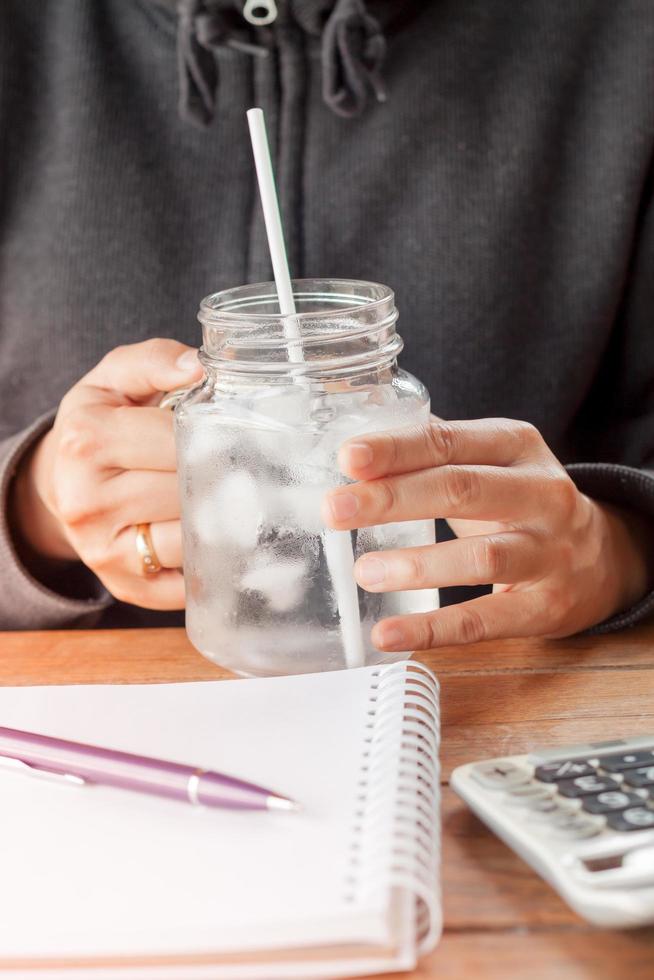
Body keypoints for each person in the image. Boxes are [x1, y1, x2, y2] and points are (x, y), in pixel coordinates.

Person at [1, 0, 653, 647]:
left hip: (500, 704)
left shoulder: (624, 36)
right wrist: (30, 507)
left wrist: (617, 553)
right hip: (86, 730)